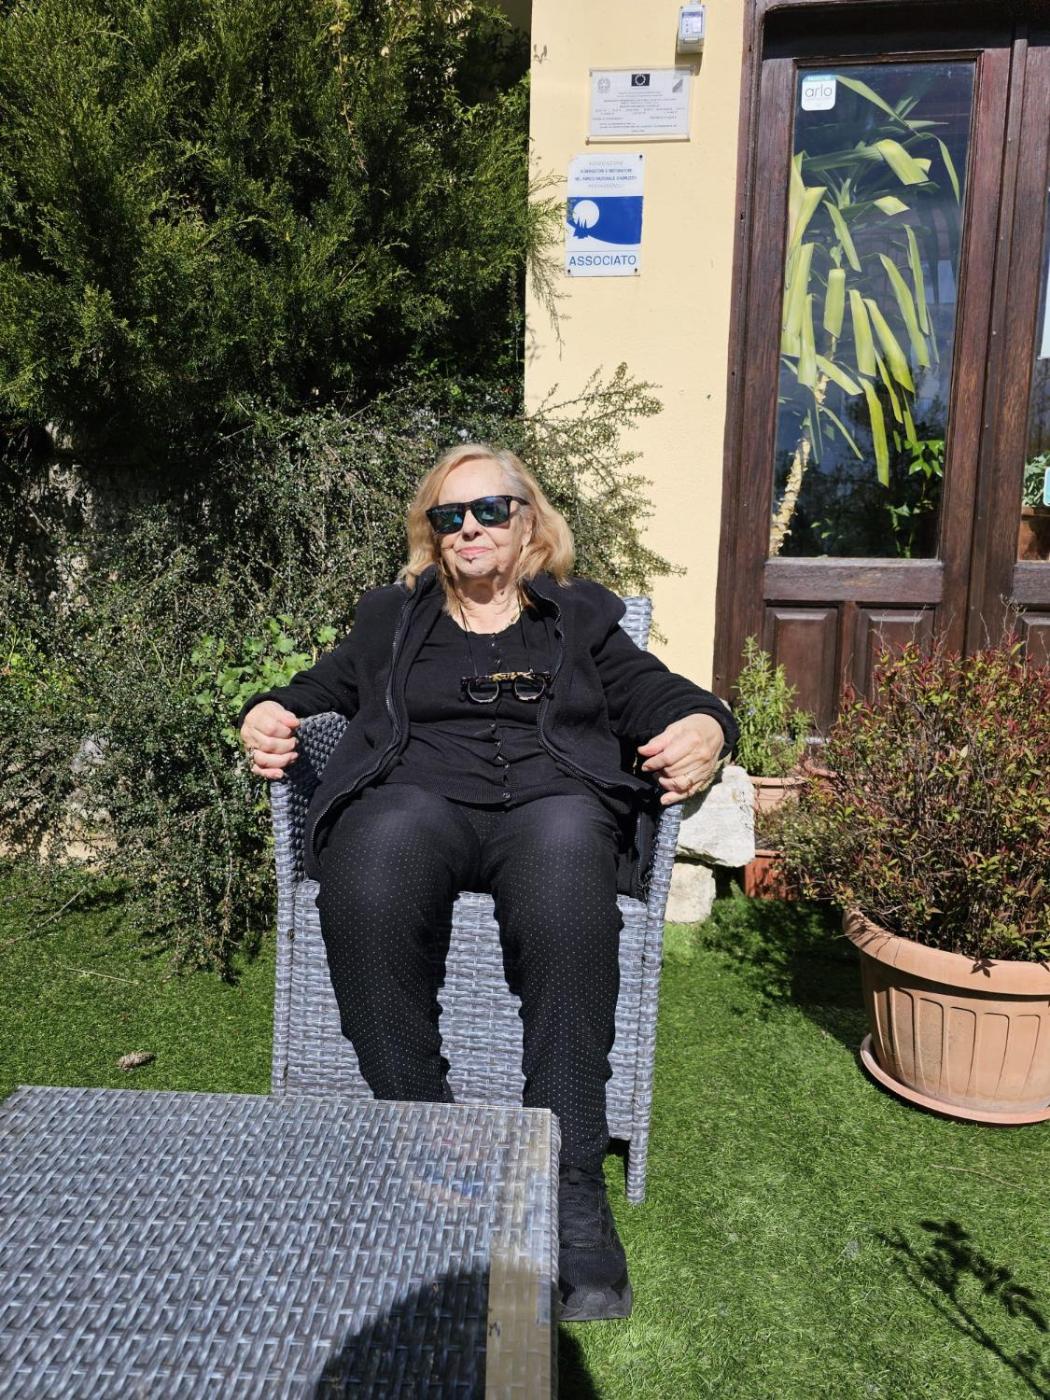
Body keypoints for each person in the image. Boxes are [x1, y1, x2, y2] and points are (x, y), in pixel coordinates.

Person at [239, 443, 738, 1322]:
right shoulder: (391, 617)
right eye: (449, 515)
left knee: (567, 871)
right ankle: (429, 1140)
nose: (468, 527)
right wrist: (269, 712)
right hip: (418, 801)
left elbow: (666, 697)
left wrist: (709, 727)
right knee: (368, 867)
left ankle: (572, 1181)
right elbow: (314, 690)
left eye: (489, 510)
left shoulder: (582, 617)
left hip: (549, 804)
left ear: (528, 521)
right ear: (431, 533)